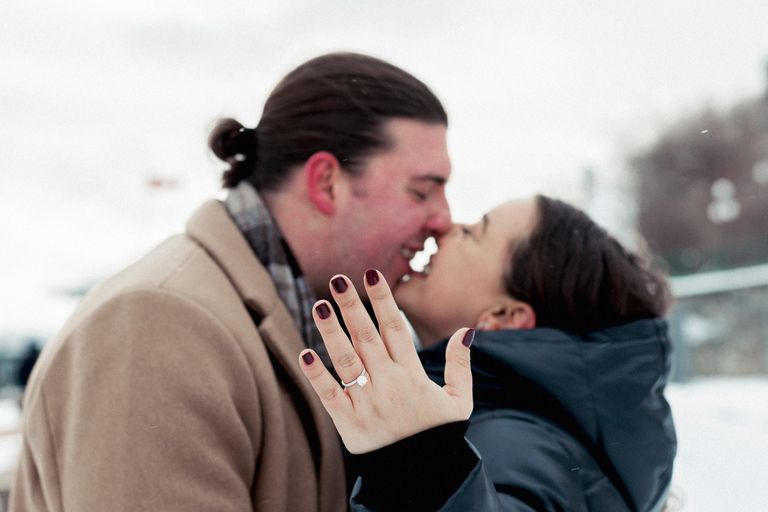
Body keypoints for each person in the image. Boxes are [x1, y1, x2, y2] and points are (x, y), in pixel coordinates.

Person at [10, 52, 452, 512]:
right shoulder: (159, 325)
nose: (444, 219)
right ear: (327, 183)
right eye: (422, 191)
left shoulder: (317, 327)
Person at [299, 195, 677, 512]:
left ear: (503, 317)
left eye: (472, 233)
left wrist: (421, 469)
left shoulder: (518, 440)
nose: (445, 229)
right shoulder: (520, 419)